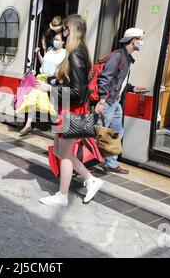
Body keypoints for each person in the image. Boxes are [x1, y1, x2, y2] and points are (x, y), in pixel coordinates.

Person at [37, 14, 103, 206]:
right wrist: (52, 81)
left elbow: (78, 92)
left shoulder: (76, 54)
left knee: (65, 154)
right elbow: (73, 83)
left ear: (71, 30)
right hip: (68, 108)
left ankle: (62, 196)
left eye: (65, 29)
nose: (62, 33)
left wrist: (51, 89)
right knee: (59, 150)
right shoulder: (77, 52)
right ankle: (91, 179)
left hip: (72, 111)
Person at [94, 27, 148, 175]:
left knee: (116, 131)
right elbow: (105, 78)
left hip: (115, 102)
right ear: (134, 40)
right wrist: (102, 100)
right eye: (140, 40)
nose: (141, 43)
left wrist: (132, 88)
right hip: (108, 102)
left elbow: (118, 81)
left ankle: (111, 163)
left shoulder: (126, 58)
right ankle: (82, 158)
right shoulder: (118, 56)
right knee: (100, 133)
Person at [20, 32, 66, 136]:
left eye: (58, 40)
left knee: (54, 108)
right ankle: (28, 125)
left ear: (63, 42)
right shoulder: (50, 50)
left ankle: (59, 129)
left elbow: (64, 68)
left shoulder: (65, 53)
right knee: (32, 99)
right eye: (55, 39)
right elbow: (44, 63)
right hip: (42, 78)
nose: (55, 41)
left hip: (54, 81)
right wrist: (38, 54)